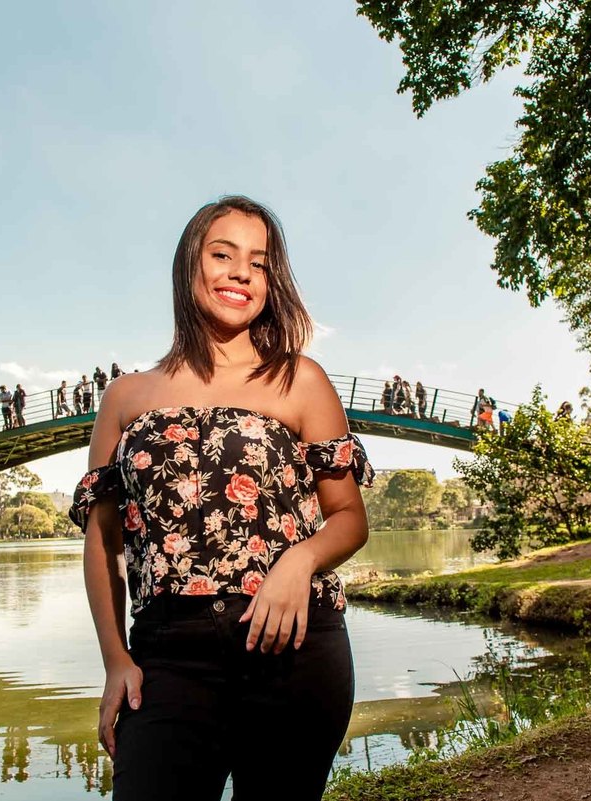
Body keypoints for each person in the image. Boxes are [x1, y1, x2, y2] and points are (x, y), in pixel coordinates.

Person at [70, 196, 374, 801]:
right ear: (190, 267)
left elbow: (349, 519)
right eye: (223, 254)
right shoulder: (125, 397)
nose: (241, 272)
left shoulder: (299, 378)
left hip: (294, 647)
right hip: (167, 658)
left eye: (259, 263)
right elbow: (102, 545)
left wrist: (298, 561)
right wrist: (115, 660)